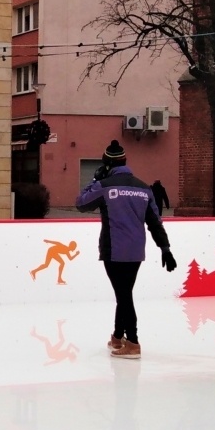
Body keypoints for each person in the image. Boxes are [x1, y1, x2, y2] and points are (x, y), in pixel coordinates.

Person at [75, 140, 175, 359]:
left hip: (114, 250)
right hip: (136, 251)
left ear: (107, 163)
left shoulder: (105, 186)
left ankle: (133, 342)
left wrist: (94, 180)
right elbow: (155, 222)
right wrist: (165, 248)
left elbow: (81, 203)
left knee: (124, 295)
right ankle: (118, 336)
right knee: (124, 293)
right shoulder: (143, 188)